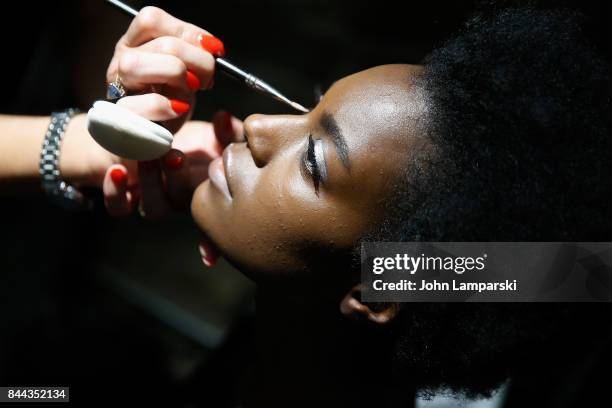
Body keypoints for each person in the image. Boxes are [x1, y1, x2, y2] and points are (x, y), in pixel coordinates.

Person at [110, 6, 612, 407]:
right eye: (310, 107)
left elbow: (580, 272)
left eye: (313, 159)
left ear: (377, 296)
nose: (257, 125)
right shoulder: (286, 339)